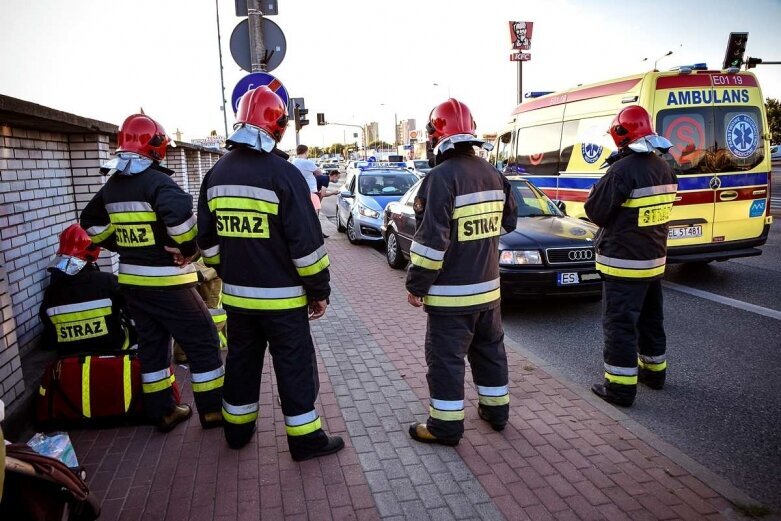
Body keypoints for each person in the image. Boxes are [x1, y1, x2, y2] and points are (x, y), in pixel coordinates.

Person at [197, 86, 344, 460]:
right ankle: (305, 440)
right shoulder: (284, 174)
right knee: (294, 367)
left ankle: (237, 430)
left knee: (242, 364)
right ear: (275, 126)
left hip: (238, 299)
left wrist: (227, 269)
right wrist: (319, 290)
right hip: (283, 302)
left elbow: (207, 242)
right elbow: (307, 247)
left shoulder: (215, 175)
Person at [80, 113, 224, 432]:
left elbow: (88, 221)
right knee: (203, 340)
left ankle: (163, 411)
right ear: (156, 146)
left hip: (132, 283)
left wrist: (120, 245)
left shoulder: (113, 186)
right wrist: (188, 249)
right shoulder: (158, 182)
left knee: (153, 347)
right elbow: (182, 225)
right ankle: (213, 412)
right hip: (168, 282)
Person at [405, 99, 517, 446]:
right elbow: (508, 221)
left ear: (436, 136)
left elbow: (430, 243)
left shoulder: (439, 178)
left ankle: (445, 427)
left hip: (451, 297)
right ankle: (496, 412)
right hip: (489, 292)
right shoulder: (493, 173)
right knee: (490, 352)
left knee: (446, 361)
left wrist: (416, 285)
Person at [584, 105, 677, 407]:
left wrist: (602, 185)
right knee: (652, 319)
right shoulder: (664, 165)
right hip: (654, 260)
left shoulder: (622, 170)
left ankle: (620, 389)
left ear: (620, 134)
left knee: (621, 325)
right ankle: (654, 373)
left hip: (623, 264)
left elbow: (595, 212)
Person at [39, 224, 132, 356]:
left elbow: (48, 327)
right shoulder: (109, 282)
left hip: (70, 357)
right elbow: (132, 310)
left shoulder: (51, 291)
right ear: (93, 249)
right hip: (111, 352)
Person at [291, 144, 324, 213]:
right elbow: (319, 173)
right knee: (314, 214)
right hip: (311, 191)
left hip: (298, 192)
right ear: (306, 152)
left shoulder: (293, 162)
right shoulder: (308, 162)